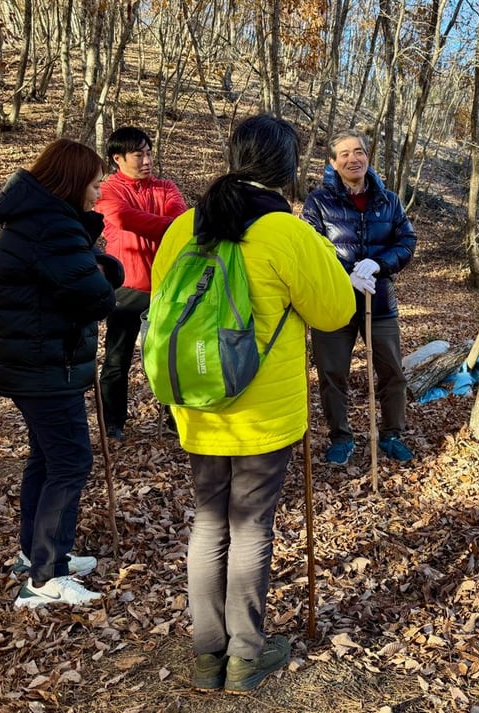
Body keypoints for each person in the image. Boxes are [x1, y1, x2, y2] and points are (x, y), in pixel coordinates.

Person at [151, 115, 353, 694]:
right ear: (289, 168)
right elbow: (336, 313)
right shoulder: (288, 233)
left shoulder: (186, 225)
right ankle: (245, 655)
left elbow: (160, 299)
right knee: (252, 527)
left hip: (195, 401)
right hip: (262, 413)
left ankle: (205, 654)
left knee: (209, 523)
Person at [0, 139, 124, 608]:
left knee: (46, 459)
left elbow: (65, 277)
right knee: (69, 462)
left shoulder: (36, 222)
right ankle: (46, 576)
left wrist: (95, 261)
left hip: (33, 362)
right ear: (70, 182)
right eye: (93, 181)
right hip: (45, 366)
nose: (98, 189)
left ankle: (36, 554)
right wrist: (105, 270)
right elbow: (95, 298)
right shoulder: (52, 227)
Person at [301, 129, 418, 466]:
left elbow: (406, 241)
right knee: (332, 373)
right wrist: (345, 274)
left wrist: (379, 264)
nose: (353, 159)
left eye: (359, 152)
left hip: (379, 303)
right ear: (333, 162)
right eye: (345, 154)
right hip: (334, 304)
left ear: (368, 156)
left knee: (392, 372)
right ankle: (340, 436)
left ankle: (392, 434)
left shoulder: (389, 200)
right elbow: (310, 248)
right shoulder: (318, 202)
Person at [96, 126, 187, 441]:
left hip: (166, 289)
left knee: (169, 357)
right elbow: (121, 218)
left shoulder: (165, 187)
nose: (147, 160)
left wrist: (171, 227)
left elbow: (181, 224)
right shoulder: (109, 189)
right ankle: (113, 423)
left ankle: (177, 419)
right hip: (125, 288)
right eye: (139, 154)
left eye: (149, 152)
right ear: (118, 158)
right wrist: (170, 227)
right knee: (116, 359)